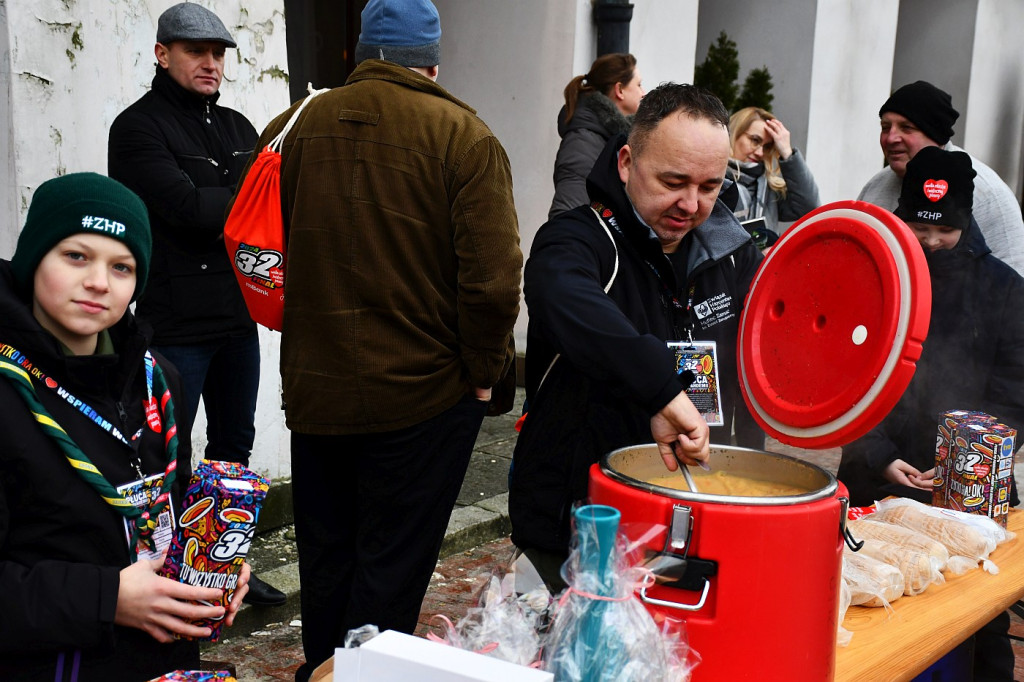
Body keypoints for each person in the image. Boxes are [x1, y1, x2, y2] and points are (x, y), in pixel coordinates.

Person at [239, 0, 522, 678]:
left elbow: (258, 242)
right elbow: (491, 281)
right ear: (431, 63)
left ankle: (321, 670)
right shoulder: (464, 136)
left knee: (328, 555)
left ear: (361, 54)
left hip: (316, 388)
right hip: (423, 395)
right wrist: (487, 373)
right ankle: (365, 672)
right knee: (391, 569)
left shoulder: (291, 124)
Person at [510, 83, 764, 587]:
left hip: (695, 510)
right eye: (673, 181)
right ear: (626, 163)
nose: (691, 204)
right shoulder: (578, 237)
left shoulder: (733, 251)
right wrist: (662, 388)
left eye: (710, 186)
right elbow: (559, 293)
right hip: (580, 520)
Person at [0, 173, 249, 680]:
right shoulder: (8, 394)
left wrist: (208, 565)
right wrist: (107, 598)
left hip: (162, 661)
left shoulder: (159, 377)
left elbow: (169, 504)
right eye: (76, 256)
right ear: (33, 259)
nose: (98, 282)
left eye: (122, 266)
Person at [107, 2, 284, 607]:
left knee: (233, 450)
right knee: (171, 461)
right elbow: (187, 211)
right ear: (163, 55)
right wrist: (240, 202)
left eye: (218, 54)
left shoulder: (237, 125)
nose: (210, 64)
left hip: (236, 316)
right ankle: (172, 576)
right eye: (196, 52)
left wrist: (228, 205)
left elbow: (265, 211)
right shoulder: (136, 128)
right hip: (173, 322)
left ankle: (222, 565)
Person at [841, 146, 1024, 682]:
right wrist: (878, 454)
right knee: (870, 616)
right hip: (874, 482)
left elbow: (1015, 396)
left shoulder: (1007, 293)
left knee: (975, 621)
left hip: (969, 490)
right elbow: (849, 382)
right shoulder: (875, 281)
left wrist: (964, 460)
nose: (929, 241)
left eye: (943, 229)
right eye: (918, 227)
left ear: (965, 221)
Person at [858, 80, 1024, 276]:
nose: (890, 138)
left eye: (906, 127)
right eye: (886, 127)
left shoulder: (986, 193)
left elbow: (1014, 281)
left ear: (936, 135)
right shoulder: (876, 186)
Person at [548, 53, 644, 218]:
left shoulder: (615, 137)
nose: (643, 93)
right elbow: (566, 215)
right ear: (619, 90)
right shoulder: (582, 142)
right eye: (639, 85)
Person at [726, 106, 820, 240]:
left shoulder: (770, 191)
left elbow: (809, 206)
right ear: (734, 134)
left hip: (764, 261)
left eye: (767, 147)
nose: (760, 152)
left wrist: (787, 152)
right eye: (755, 140)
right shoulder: (711, 181)